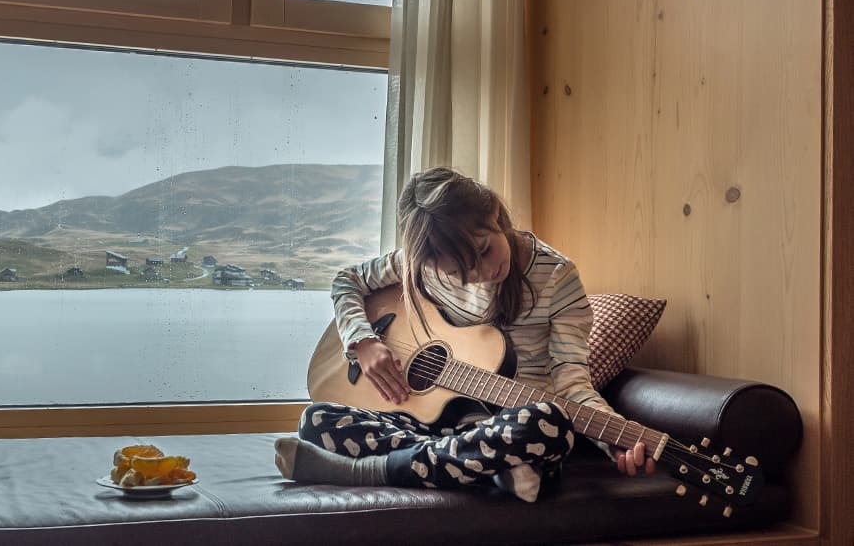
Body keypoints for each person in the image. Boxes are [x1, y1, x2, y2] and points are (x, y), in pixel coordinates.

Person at [274, 167, 654, 502]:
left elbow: (573, 383)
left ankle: (378, 469)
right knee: (318, 419)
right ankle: (482, 468)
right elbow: (348, 281)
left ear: (493, 213)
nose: (482, 274)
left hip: (508, 428)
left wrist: (613, 439)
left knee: (550, 422)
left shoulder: (557, 276)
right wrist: (364, 341)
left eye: (485, 250)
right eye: (460, 273)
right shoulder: (422, 263)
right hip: (438, 431)